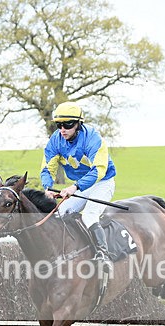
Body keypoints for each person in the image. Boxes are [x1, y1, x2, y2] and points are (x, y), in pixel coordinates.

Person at [41, 101, 116, 274]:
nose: (62, 129)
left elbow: (99, 170)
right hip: (80, 185)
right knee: (58, 214)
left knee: (89, 215)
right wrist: (48, 187)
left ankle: (103, 256)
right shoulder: (55, 140)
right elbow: (47, 168)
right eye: (59, 125)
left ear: (78, 124)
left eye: (67, 124)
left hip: (102, 182)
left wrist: (75, 187)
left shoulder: (93, 138)